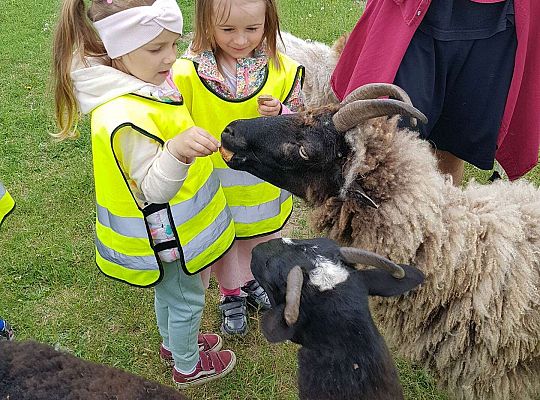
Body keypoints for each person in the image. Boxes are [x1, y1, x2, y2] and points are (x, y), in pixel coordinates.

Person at [52, 0, 237, 387]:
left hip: (164, 238)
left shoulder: (136, 85)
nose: (170, 58)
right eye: (156, 49)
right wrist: (177, 151)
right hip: (168, 237)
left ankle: (173, 344)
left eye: (173, 44)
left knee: (170, 294)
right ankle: (188, 366)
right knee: (187, 299)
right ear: (117, 49)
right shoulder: (123, 114)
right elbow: (152, 188)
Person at [172, 0, 305, 336]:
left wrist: (281, 113)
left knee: (258, 239)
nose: (241, 40)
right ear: (205, 23)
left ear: (268, 22)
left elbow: (302, 121)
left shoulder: (280, 68)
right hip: (214, 184)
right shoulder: (187, 73)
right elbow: (170, 120)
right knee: (224, 244)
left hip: (261, 185)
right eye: (227, 29)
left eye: (252, 29)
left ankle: (251, 282)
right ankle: (231, 293)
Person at [331, 0, 540, 185]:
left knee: (450, 145)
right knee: (381, 140)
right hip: (419, 14)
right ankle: (363, 225)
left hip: (494, 17)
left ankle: (435, 225)